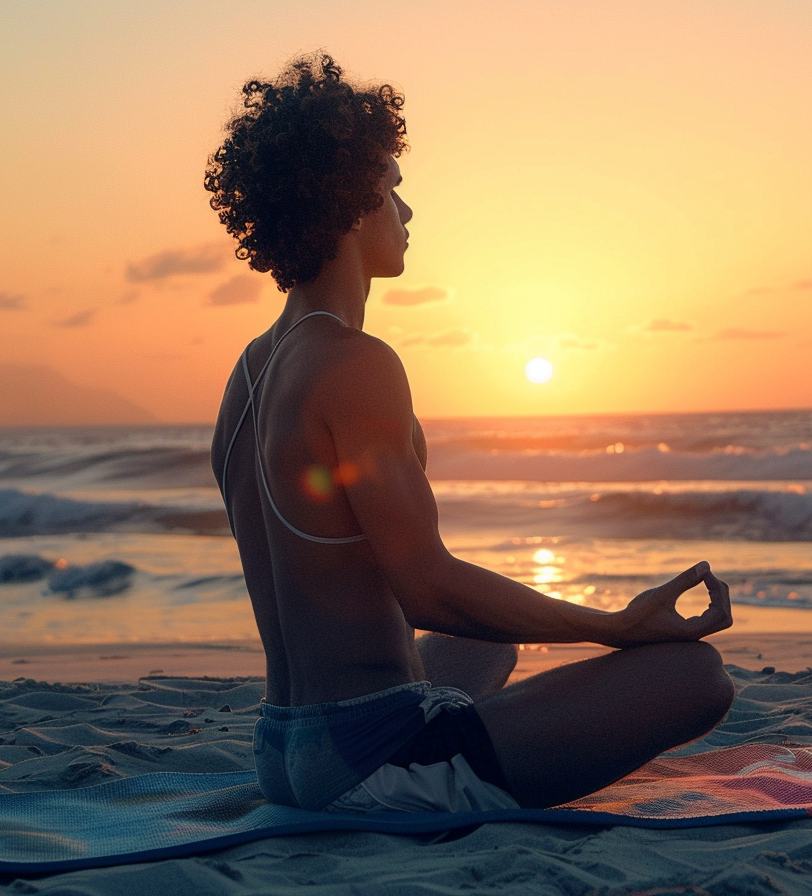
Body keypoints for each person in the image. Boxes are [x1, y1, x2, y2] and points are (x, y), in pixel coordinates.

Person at [206, 53, 734, 813]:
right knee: (696, 678)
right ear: (350, 204)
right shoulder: (356, 363)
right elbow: (426, 587)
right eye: (392, 190)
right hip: (374, 758)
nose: (407, 212)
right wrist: (615, 626)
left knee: (488, 644)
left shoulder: (249, 374)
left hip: (283, 746)